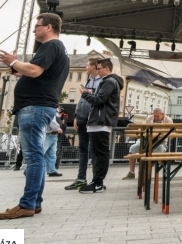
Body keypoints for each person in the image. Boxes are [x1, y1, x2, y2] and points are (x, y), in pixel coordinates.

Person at [0, 12, 69, 219]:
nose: (34, 29)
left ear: (49, 27)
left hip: (35, 107)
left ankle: (27, 204)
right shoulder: (58, 48)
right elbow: (39, 72)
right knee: (37, 157)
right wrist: (20, 70)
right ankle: (34, 202)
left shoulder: (51, 46)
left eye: (38, 26)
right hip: (39, 106)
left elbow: (35, 71)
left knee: (34, 157)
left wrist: (14, 61)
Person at [78, 58, 122, 194]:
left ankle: (98, 183)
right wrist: (91, 94)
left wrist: (85, 94)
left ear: (107, 68)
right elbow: (101, 98)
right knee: (97, 153)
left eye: (99, 69)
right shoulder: (108, 81)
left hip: (101, 122)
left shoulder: (109, 81)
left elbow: (99, 100)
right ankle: (96, 181)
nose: (97, 71)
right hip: (99, 121)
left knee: (100, 154)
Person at [65, 57, 101, 190]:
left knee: (94, 150)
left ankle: (96, 180)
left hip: (92, 120)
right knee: (83, 149)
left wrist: (89, 93)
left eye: (87, 65)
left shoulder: (102, 81)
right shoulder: (88, 80)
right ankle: (81, 178)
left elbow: (98, 99)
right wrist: (76, 116)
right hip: (81, 118)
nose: (86, 67)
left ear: (94, 67)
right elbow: (81, 99)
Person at [122, 108, 173, 180]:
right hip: (147, 140)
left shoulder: (168, 120)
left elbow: (170, 133)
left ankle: (147, 173)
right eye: (154, 115)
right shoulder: (149, 118)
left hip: (160, 142)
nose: (155, 117)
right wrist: (141, 132)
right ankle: (131, 172)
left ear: (162, 114)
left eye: (157, 116)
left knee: (158, 150)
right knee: (133, 148)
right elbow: (142, 127)